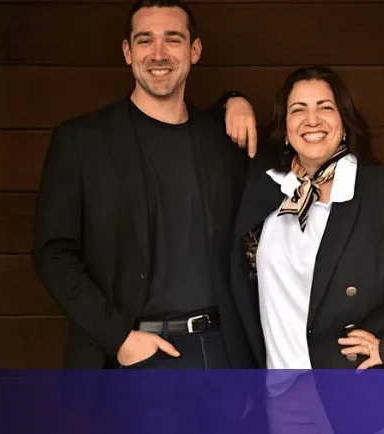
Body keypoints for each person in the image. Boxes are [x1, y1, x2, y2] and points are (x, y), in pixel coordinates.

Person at [229, 66, 384, 433]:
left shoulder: (381, 190)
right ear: (284, 124)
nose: (312, 120)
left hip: (360, 392)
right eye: (298, 109)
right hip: (282, 395)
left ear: (344, 118)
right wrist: (232, 102)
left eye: (325, 107)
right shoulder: (267, 186)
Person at [32, 0, 259, 372]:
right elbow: (53, 253)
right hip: (135, 354)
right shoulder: (81, 141)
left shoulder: (222, 139)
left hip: (222, 353)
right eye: (144, 40)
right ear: (127, 51)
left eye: (172, 40)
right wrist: (118, 337)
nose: (158, 54)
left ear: (194, 51)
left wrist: (235, 99)